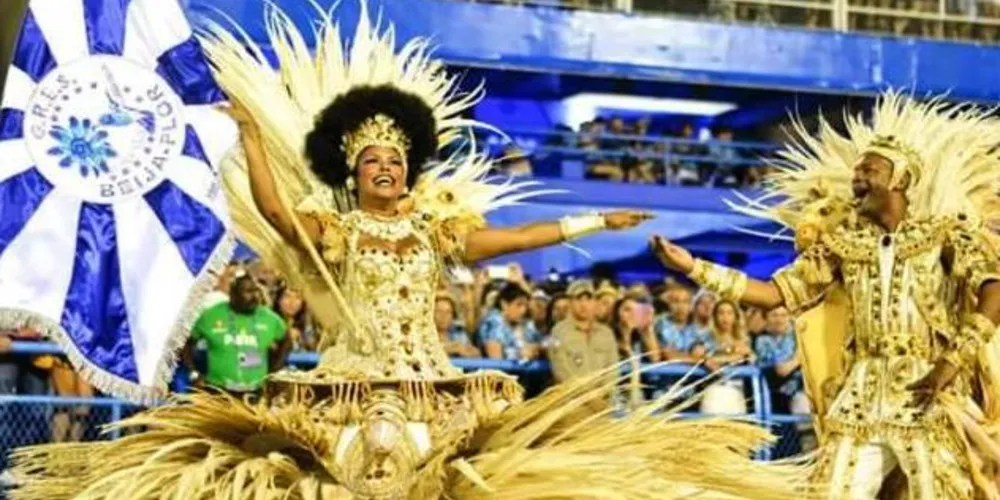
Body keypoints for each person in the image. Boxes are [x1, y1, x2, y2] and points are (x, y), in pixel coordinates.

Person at [10, 5, 811, 499]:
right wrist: (251, 138)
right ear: (353, 174)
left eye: (395, 160)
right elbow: (282, 217)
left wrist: (594, 221)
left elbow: (514, 238)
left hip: (437, 387)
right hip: (346, 391)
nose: (387, 168)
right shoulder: (338, 229)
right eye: (372, 162)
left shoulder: (433, 226)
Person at [653, 91, 1000, 498]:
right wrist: (693, 267)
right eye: (856, 171)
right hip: (861, 397)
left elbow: (993, 289)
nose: (858, 178)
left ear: (900, 179)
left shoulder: (942, 235)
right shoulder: (843, 247)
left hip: (925, 392)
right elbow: (773, 294)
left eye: (869, 169)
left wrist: (951, 361)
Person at [182, 275, 291, 398]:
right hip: (218, 392)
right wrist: (193, 372)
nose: (255, 296)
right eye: (248, 291)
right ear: (233, 294)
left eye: (256, 290)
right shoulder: (211, 315)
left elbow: (286, 342)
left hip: (255, 392)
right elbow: (185, 342)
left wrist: (274, 370)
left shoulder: (270, 318)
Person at [548, 280, 618, 384]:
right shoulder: (558, 332)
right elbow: (560, 370)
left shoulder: (606, 333)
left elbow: (613, 369)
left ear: (594, 302)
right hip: (572, 397)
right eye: (578, 299)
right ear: (570, 302)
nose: (584, 304)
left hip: (603, 397)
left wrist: (602, 394)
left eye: (588, 299)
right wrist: (583, 395)